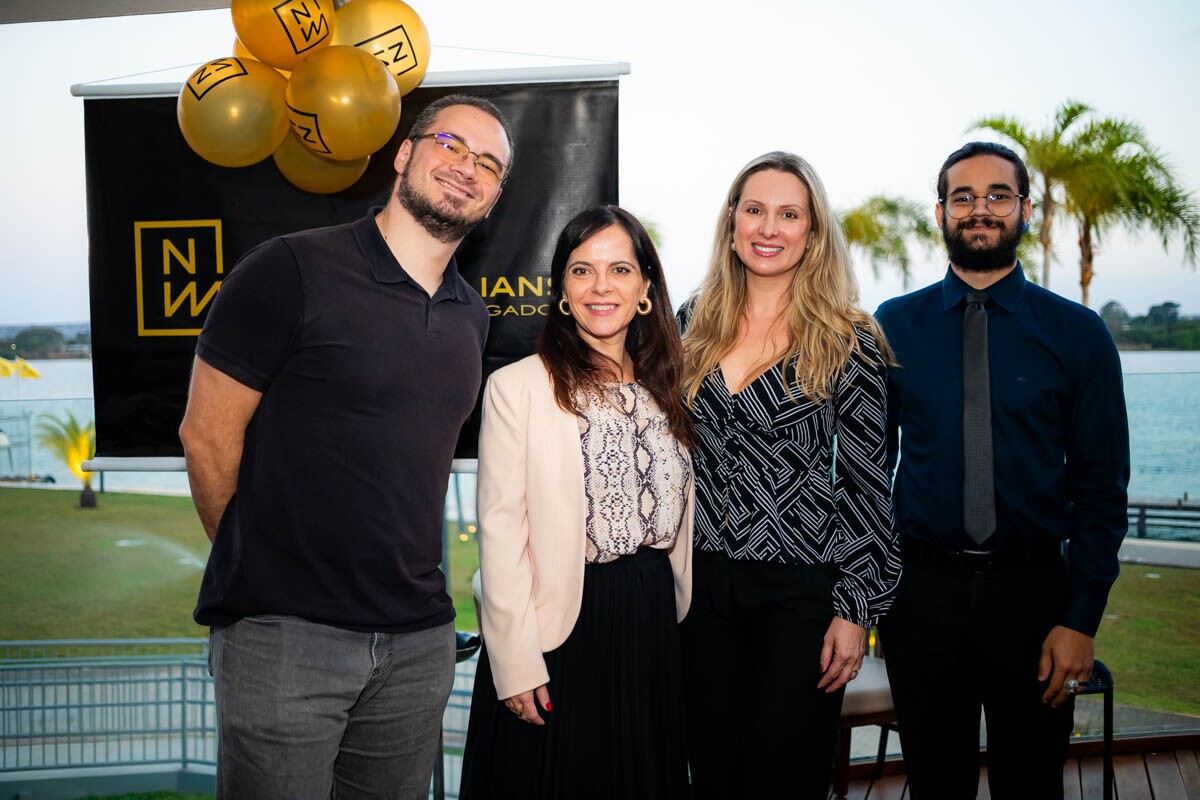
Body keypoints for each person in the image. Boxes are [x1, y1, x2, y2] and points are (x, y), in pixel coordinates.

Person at [178, 94, 514, 799]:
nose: (466, 168)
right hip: (286, 640)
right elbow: (206, 436)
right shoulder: (288, 270)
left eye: (488, 163)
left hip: (418, 647)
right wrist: (259, 570)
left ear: (494, 199)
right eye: (451, 144)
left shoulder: (471, 318)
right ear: (404, 153)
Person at [874, 141, 1130, 799]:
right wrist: (871, 596)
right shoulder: (893, 327)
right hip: (920, 597)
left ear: (1023, 210)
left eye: (997, 195)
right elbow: (870, 471)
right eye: (963, 197)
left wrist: (1082, 618)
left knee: (1032, 783)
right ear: (941, 213)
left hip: (1036, 598)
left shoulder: (1077, 334)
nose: (979, 209)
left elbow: (1102, 485)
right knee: (935, 784)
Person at [678, 151, 901, 799]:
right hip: (700, 592)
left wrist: (855, 609)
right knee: (713, 774)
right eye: (755, 210)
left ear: (812, 231)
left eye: (788, 214)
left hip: (799, 596)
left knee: (785, 777)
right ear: (731, 221)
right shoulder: (692, 323)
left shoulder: (849, 339)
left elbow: (867, 484)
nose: (768, 228)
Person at [459, 205, 695, 800]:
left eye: (619, 270)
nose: (600, 287)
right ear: (562, 288)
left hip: (651, 620)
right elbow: (500, 531)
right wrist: (514, 661)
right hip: (558, 627)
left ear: (645, 287)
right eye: (582, 270)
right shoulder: (518, 386)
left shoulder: (672, 384)